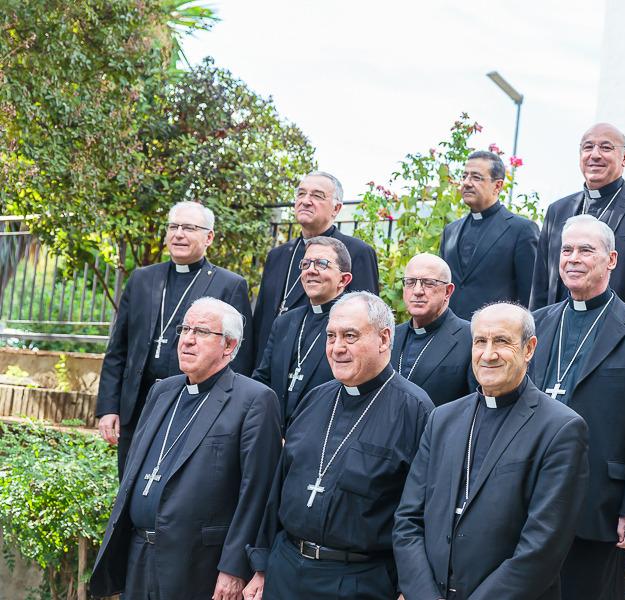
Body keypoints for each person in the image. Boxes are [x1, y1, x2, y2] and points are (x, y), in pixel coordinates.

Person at [243, 292, 434, 600]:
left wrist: (407, 590)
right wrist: (262, 564)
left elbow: (423, 513)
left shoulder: (416, 411)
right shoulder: (315, 398)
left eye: (350, 336)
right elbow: (279, 485)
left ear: (384, 339)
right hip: (286, 569)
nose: (337, 347)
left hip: (358, 580)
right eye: (331, 336)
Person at [394, 302, 589, 600]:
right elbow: (408, 520)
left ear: (529, 349)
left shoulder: (560, 429)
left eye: (501, 341)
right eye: (480, 342)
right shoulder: (442, 419)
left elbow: (542, 547)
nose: (488, 354)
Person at [90, 297, 281, 600]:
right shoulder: (162, 391)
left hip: (197, 565)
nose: (187, 340)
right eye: (185, 329)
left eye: (201, 332)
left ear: (229, 345)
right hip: (138, 553)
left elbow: (257, 493)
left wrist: (234, 568)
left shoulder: (254, 400)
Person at [531, 215, 625, 600]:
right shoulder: (536, 325)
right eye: (566, 250)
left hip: (599, 503)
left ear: (611, 260)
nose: (573, 258)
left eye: (585, 250)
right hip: (531, 498)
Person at [96, 201, 255, 477]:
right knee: (130, 481)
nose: (178, 234)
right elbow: (118, 348)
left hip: (194, 404)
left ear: (209, 237)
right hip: (137, 405)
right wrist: (108, 407)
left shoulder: (228, 284)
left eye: (189, 228)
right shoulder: (143, 279)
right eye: (173, 227)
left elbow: (237, 356)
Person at [529, 123, 625, 324]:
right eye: (588, 147)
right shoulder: (558, 210)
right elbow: (540, 284)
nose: (595, 155)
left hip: (621, 333)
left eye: (606, 147)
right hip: (560, 330)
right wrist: (539, 331)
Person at [252, 171, 379, 366]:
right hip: (269, 364)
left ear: (336, 208)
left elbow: (365, 321)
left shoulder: (357, 252)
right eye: (301, 194)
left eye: (317, 195)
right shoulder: (278, 255)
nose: (306, 201)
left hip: (319, 364)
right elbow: (261, 318)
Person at [253, 236, 351, 429]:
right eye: (306, 264)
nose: (310, 270)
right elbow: (262, 380)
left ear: (343, 279)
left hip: (322, 434)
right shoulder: (284, 322)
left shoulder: (352, 325)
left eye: (321, 264)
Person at [440, 151, 539, 320]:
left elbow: (530, 298)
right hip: (451, 332)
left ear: (497, 186)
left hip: (495, 331)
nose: (466, 183)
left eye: (476, 177)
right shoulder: (451, 230)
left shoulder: (521, 230)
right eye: (464, 176)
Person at [390, 253, 475, 406]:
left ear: (448, 291)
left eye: (428, 283)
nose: (417, 291)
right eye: (410, 282)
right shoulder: (391, 336)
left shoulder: (470, 338)